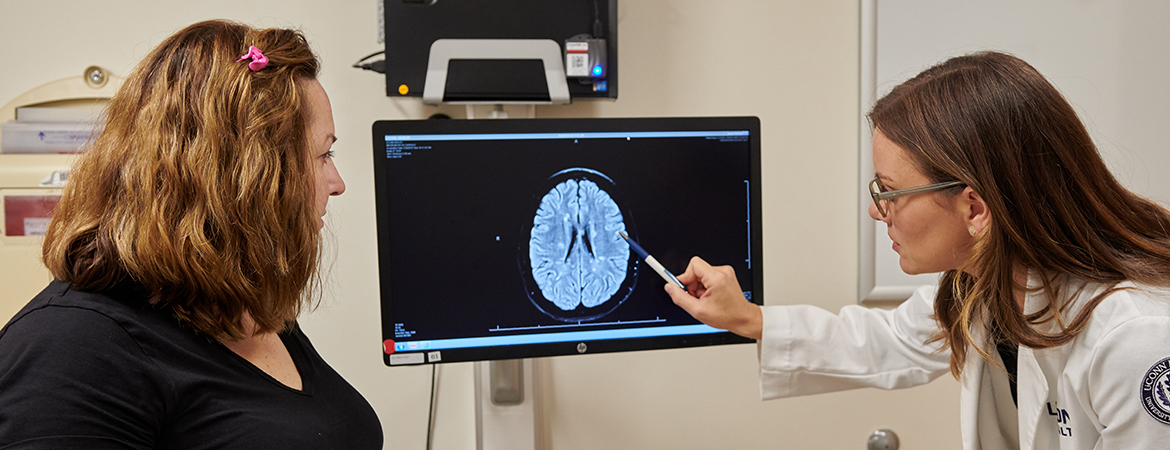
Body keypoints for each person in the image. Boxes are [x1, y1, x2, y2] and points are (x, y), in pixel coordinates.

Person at [665, 51, 1170, 450]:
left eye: (888, 192)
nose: (876, 211)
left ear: (974, 207)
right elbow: (887, 339)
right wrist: (749, 318)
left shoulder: (1135, 339)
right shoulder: (990, 284)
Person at [0, 20, 382, 449]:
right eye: (322, 154)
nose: (337, 182)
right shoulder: (72, 348)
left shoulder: (242, 305)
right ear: (243, 176)